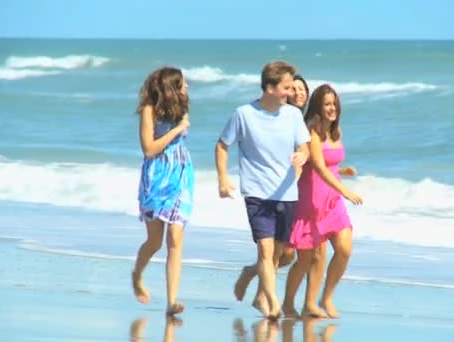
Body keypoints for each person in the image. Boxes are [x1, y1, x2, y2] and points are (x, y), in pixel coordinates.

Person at [216, 61, 310, 319]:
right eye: (286, 87)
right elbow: (222, 145)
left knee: (281, 253)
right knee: (266, 252)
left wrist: (302, 156)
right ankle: (273, 304)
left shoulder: (293, 115)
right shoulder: (243, 114)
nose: (291, 93)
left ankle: (253, 281)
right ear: (270, 87)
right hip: (257, 192)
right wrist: (223, 178)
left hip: (287, 192)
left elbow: (305, 146)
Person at [283, 84, 363, 319]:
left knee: (344, 249)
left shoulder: (336, 132)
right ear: (318, 106)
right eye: (327, 104)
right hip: (312, 200)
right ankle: (290, 303)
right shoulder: (313, 132)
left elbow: (330, 164)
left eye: (334, 104)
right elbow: (318, 165)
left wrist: (344, 170)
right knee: (307, 259)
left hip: (332, 201)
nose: (332, 108)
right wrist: (346, 191)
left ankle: (325, 297)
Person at [131, 66, 194, 316]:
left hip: (181, 177)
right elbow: (148, 148)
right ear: (171, 87)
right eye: (183, 84)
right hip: (157, 178)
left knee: (175, 239)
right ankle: (137, 274)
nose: (187, 88)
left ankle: (171, 302)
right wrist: (177, 129)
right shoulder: (149, 111)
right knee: (155, 242)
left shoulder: (182, 108)